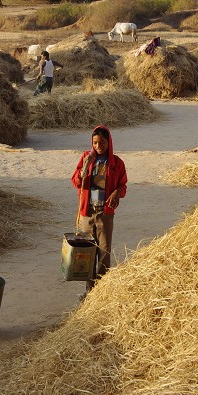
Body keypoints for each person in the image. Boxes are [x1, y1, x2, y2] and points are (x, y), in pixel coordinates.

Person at [71, 125, 127, 297]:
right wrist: (81, 175)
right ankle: (89, 291)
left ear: (109, 142)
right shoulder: (85, 159)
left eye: (102, 142)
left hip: (105, 214)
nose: (98, 146)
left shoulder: (116, 163)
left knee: (104, 253)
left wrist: (117, 192)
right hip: (87, 214)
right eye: (95, 143)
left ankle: (101, 293)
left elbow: (122, 185)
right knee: (87, 253)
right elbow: (75, 181)